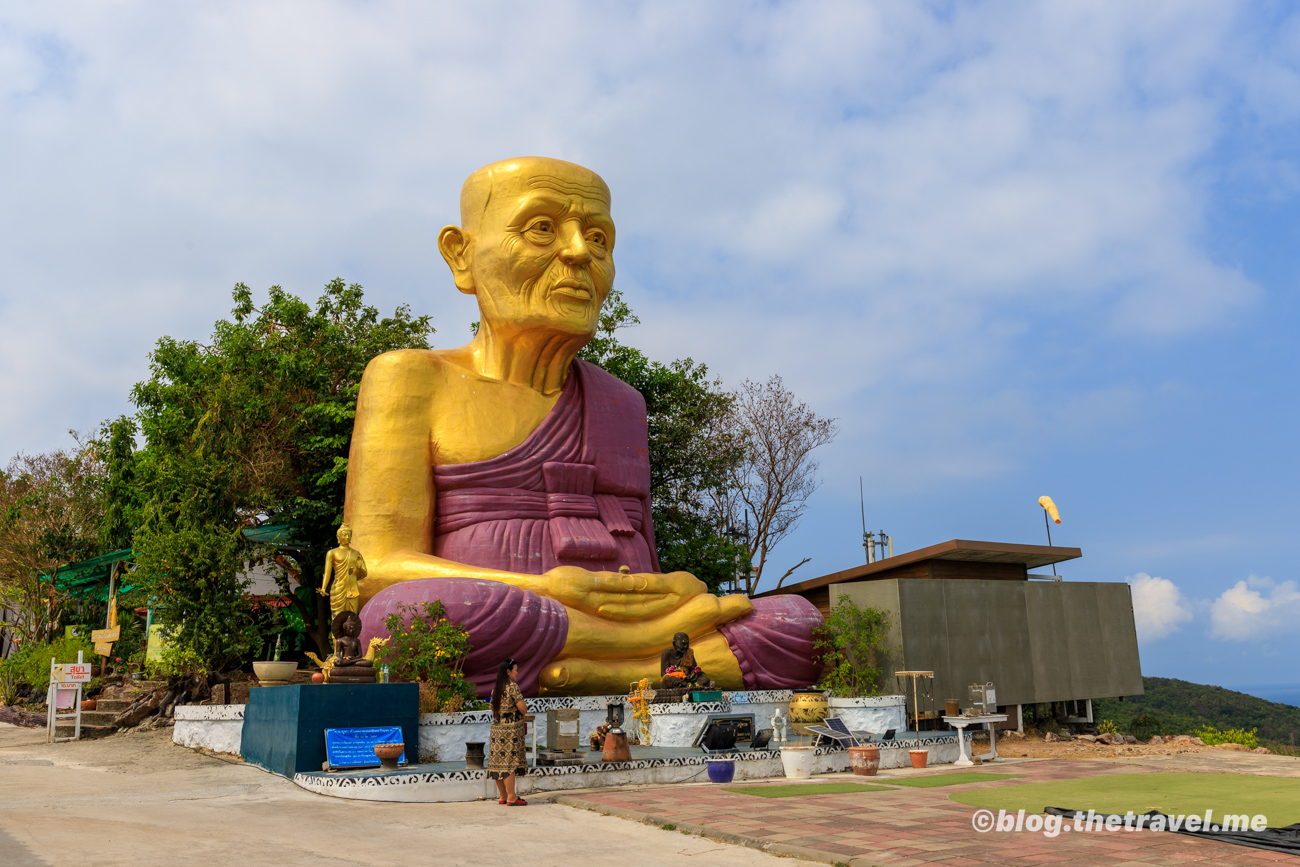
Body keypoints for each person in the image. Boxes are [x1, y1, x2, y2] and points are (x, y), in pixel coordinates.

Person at [346, 156, 823, 696]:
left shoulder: (621, 402)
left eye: (598, 237)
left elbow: (638, 555)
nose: (579, 253)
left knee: (795, 624)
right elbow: (370, 568)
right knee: (406, 618)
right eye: (542, 228)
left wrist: (671, 593)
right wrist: (551, 590)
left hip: (615, 622)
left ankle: (608, 672)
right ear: (462, 255)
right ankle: (652, 664)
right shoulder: (410, 377)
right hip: (505, 608)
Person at [488, 658, 528, 805]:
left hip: (497, 730)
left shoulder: (496, 689)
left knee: (497, 762)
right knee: (509, 763)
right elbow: (522, 708)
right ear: (508, 671)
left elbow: (492, 707)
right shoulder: (512, 687)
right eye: (515, 669)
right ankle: (512, 797)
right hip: (510, 731)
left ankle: (502, 796)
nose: (517, 672)